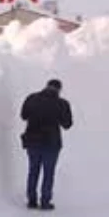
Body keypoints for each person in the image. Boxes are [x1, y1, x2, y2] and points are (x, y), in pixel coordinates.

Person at [19, 78, 74, 210]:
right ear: (59, 90)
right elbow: (67, 124)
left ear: (46, 86)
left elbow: (23, 116)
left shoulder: (32, 98)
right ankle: (45, 201)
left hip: (32, 141)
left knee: (33, 170)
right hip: (51, 143)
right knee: (48, 172)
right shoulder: (62, 103)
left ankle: (32, 200)